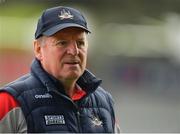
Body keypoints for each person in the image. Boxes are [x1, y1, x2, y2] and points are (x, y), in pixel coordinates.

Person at [0, 6, 120, 133]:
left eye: (80, 43)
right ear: (38, 49)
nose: (74, 51)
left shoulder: (104, 102)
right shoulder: (10, 102)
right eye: (62, 43)